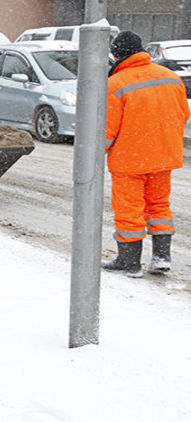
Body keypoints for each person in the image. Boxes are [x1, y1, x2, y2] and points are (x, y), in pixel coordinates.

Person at [102, 30, 190, 277]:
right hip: (163, 157)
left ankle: (129, 262)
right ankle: (162, 257)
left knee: (129, 210)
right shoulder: (171, 78)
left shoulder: (116, 84)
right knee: (159, 205)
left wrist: (99, 150)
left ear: (116, 54)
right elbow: (183, 114)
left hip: (130, 160)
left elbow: (108, 129)